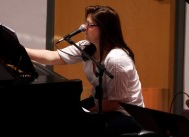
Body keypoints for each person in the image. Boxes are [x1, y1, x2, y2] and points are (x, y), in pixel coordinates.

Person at [25, 5, 145, 137]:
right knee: (57, 117)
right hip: (100, 103)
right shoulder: (87, 47)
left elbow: (115, 103)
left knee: (76, 126)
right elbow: (52, 57)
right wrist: (20, 49)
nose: (84, 28)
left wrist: (85, 112)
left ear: (104, 29)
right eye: (85, 23)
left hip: (126, 114)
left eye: (90, 25)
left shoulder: (117, 59)